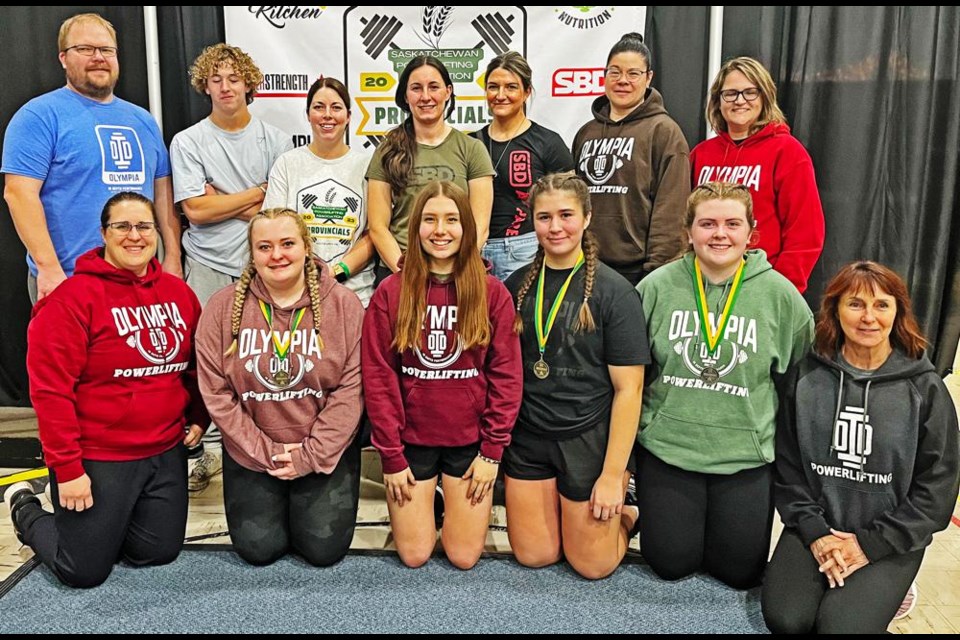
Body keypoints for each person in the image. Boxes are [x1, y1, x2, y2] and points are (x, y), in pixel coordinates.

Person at [2, 192, 206, 588]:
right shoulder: (70, 301)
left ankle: (109, 524)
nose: (135, 236)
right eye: (122, 227)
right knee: (83, 570)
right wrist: (68, 468)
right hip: (99, 456)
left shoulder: (180, 295)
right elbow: (50, 393)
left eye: (144, 226)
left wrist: (198, 415)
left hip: (164, 451)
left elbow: (195, 368)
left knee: (157, 552)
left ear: (156, 232)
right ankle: (25, 508)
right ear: (104, 233)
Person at [763, 261, 960, 634]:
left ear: (898, 311)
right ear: (835, 311)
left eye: (881, 305)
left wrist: (871, 545)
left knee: (841, 628)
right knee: (787, 620)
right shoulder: (806, 376)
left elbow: (937, 490)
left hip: (890, 536)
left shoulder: (925, 388)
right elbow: (788, 469)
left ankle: (894, 590)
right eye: (855, 304)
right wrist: (816, 532)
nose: (869, 317)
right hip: (819, 525)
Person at [636, 181, 813, 589]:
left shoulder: (779, 295)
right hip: (668, 450)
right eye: (708, 223)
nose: (720, 234)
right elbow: (631, 375)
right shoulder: (656, 288)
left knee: (739, 573)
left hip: (745, 458)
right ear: (689, 231)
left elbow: (806, 378)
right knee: (669, 564)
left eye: (733, 224)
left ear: (751, 233)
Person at [362, 181, 522, 569]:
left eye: (451, 220)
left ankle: (444, 505)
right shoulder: (390, 292)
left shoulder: (491, 292)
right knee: (415, 555)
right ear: (415, 228)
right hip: (410, 442)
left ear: (466, 227)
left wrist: (492, 452)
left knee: (464, 557)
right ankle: (426, 504)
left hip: (469, 445)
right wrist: (391, 457)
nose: (440, 230)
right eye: (430, 220)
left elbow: (506, 377)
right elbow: (379, 378)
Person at [195, 208, 364, 567]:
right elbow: (217, 394)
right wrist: (263, 451)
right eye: (264, 246)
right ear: (252, 254)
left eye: (288, 243)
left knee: (323, 551)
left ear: (306, 246)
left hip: (322, 449)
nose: (277, 255)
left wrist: (310, 455)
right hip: (253, 450)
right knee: (259, 551)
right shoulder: (222, 308)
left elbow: (352, 390)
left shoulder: (344, 306)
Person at [503, 173, 648, 580]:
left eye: (566, 215)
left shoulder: (614, 293)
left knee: (592, 565)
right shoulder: (515, 287)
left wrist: (612, 474)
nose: (555, 227)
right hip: (530, 436)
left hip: (588, 438)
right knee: (535, 555)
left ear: (586, 217)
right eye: (544, 217)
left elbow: (629, 390)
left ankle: (629, 508)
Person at [170, 43, 292, 491]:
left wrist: (219, 197)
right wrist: (251, 196)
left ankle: (257, 448)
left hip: (261, 268)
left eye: (233, 78)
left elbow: (278, 210)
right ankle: (199, 451)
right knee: (201, 361)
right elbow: (196, 212)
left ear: (249, 84)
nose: (225, 86)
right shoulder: (188, 141)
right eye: (216, 79)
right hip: (206, 263)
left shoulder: (276, 141)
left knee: (259, 360)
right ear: (205, 85)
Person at [2, 13, 182, 303]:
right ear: (63, 57)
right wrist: (48, 268)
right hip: (68, 280)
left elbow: (162, 192)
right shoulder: (38, 116)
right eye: (85, 49)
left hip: (139, 279)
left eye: (106, 50)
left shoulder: (143, 120)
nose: (98, 57)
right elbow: (19, 194)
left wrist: (172, 257)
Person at [690, 56, 824, 293]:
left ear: (764, 97)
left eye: (750, 92)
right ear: (718, 101)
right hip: (703, 284)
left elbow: (805, 232)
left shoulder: (788, 152)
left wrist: (779, 290)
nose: (739, 101)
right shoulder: (701, 154)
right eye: (730, 93)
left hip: (761, 286)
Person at [571, 33, 690, 286]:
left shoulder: (664, 132)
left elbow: (671, 210)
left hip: (638, 272)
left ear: (648, 78)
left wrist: (658, 272)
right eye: (615, 72)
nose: (623, 80)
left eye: (633, 73)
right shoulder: (586, 133)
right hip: (586, 266)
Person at [367, 56, 494, 283]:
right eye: (416, 88)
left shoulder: (472, 149)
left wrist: (452, 274)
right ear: (406, 96)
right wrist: (405, 274)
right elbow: (377, 227)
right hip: (402, 270)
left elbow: (480, 227)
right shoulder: (387, 150)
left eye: (433, 87)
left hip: (457, 273)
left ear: (448, 92)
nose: (425, 96)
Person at [264, 76, 374, 306]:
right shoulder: (287, 164)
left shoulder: (367, 167)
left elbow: (374, 234)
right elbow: (271, 229)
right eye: (318, 107)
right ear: (308, 115)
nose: (327, 115)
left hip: (355, 297)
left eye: (336, 107)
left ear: (348, 117)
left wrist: (336, 272)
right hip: (296, 296)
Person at [471, 51, 574, 281]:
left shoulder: (547, 142)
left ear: (527, 92)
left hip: (527, 250)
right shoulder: (470, 143)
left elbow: (571, 202)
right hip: (474, 253)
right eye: (493, 86)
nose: (500, 95)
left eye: (511, 87)